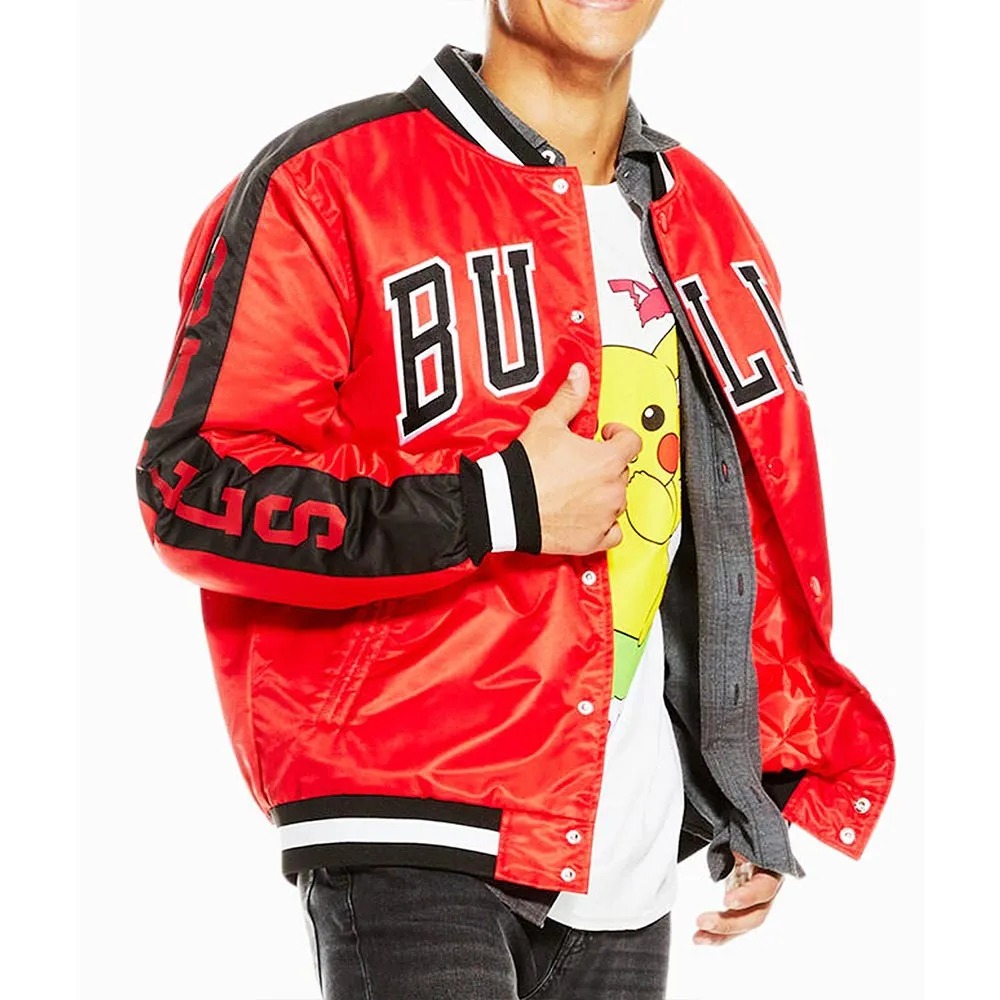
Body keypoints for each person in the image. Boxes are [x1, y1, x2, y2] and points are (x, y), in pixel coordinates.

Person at [135, 1, 895, 996]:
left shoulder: (702, 214)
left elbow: (733, 520)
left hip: (627, 857)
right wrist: (499, 503)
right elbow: (193, 486)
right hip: (414, 818)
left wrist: (750, 774)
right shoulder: (329, 181)